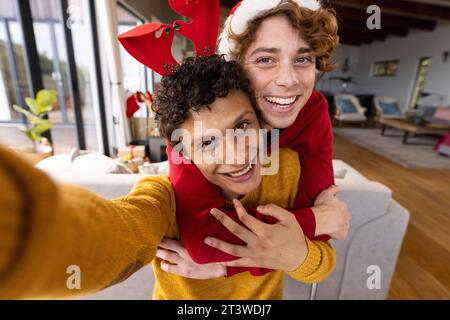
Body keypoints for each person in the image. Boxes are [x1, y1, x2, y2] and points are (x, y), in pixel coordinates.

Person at [0, 55, 335, 299]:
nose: (236, 155)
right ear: (183, 153)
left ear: (261, 122)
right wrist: (28, 235)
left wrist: (296, 255)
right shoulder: (164, 195)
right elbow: (120, 232)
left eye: (242, 126)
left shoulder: (289, 171)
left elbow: (322, 265)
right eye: (207, 142)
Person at [157, 0, 350, 278]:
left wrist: (224, 267)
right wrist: (314, 219)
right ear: (236, 69)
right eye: (265, 59)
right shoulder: (195, 121)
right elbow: (203, 242)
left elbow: (314, 244)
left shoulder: (313, 112)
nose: (288, 80)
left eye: (302, 59)